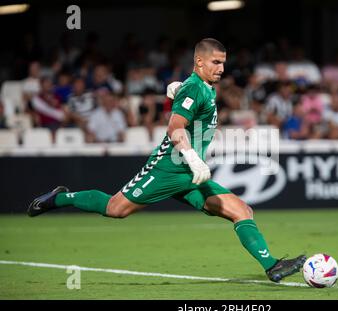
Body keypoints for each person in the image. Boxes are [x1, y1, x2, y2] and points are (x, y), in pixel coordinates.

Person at [27, 38, 306, 283]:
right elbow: (175, 129)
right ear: (199, 61)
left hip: (189, 175)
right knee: (115, 209)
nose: (222, 68)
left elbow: (186, 107)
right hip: (169, 167)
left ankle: (273, 266)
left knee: (241, 210)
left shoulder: (203, 87)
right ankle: (60, 198)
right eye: (216, 62)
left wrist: (175, 93)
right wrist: (194, 159)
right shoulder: (196, 88)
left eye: (223, 63)